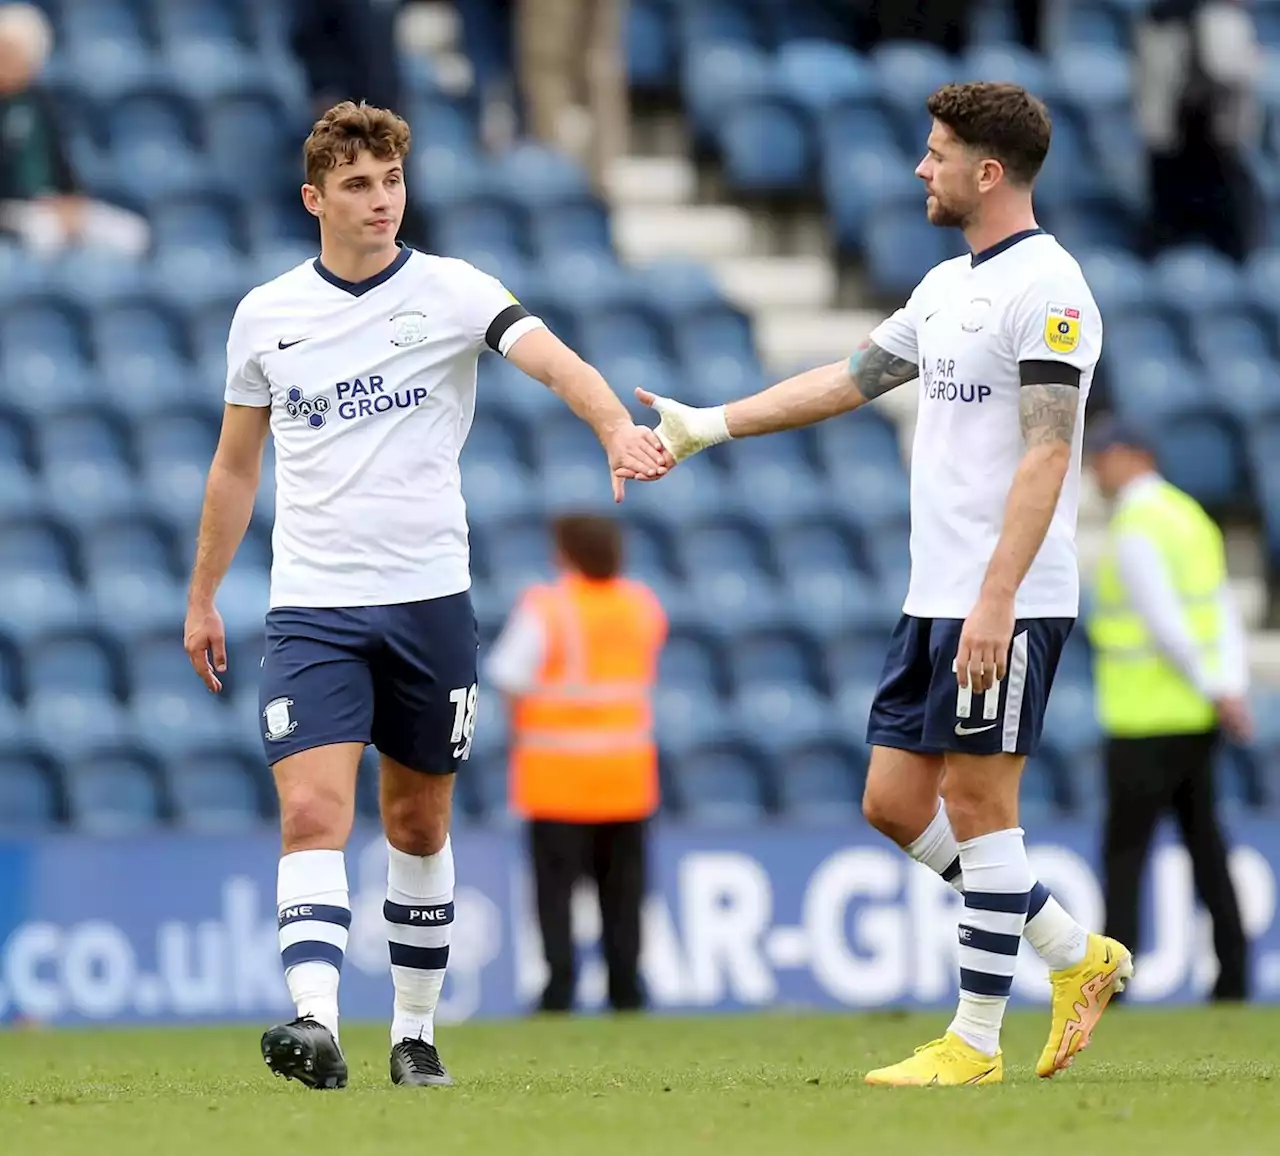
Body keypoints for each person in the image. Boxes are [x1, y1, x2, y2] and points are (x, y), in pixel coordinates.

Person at [631, 82, 1130, 1087]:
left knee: (981, 804)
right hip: (934, 592)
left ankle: (973, 1043)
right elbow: (847, 378)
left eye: (936, 151)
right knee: (894, 799)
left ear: (986, 173)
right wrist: (706, 425)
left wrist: (997, 598)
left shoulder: (1051, 289)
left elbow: (1046, 457)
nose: (918, 167)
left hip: (1007, 597)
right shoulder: (948, 286)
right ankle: (1074, 952)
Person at [182, 100, 671, 1091]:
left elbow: (553, 359)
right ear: (314, 197)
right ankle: (314, 1022)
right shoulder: (266, 317)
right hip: (313, 604)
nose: (380, 201)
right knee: (314, 810)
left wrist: (612, 426)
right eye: (358, 185)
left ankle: (413, 1034)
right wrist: (203, 596)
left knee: (415, 823)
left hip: (428, 601)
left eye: (392, 181)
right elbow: (235, 469)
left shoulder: (451, 290)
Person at [1084, 415, 1251, 1002]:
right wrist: (1226, 688)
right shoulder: (1188, 517)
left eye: (1103, 457)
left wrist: (1215, 686)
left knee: (1125, 856)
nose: (1095, 469)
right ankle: (1234, 975)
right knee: (1207, 846)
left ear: (1133, 456)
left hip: (1142, 720)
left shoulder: (1136, 524)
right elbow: (1220, 609)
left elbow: (1165, 624)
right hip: (1194, 717)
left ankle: (1112, 986)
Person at [485, 514, 666, 1013]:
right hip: (627, 779)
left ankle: (559, 987)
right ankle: (626, 987)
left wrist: (520, 733)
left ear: (566, 552)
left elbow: (509, 674)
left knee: (555, 896)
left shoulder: (548, 608)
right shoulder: (641, 605)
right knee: (624, 896)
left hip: (556, 781)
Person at [0, 2, 148, 257]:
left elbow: (62, 165)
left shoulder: (41, 105)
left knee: (131, 233)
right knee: (45, 233)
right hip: (12, 209)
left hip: (54, 204)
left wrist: (72, 201)